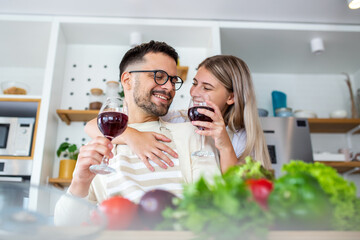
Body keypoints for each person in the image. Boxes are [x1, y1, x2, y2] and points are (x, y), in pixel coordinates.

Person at [54, 40, 221, 222]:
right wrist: (80, 182)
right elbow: (65, 225)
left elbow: (213, 208)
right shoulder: (100, 147)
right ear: (127, 80)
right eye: (158, 76)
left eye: (173, 80)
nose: (169, 87)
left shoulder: (191, 135)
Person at [85, 55, 272, 172]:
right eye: (194, 83)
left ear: (231, 97)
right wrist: (133, 136)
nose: (194, 93)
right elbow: (92, 126)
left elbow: (234, 191)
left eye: (206, 87)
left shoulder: (241, 138)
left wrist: (224, 145)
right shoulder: (179, 119)